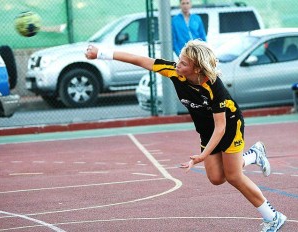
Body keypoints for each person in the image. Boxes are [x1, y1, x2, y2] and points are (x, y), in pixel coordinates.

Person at [85, 40, 287, 231]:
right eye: (179, 59)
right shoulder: (175, 72)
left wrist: (202, 156)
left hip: (229, 126)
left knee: (234, 176)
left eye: (183, 62)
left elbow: (221, 128)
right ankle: (253, 155)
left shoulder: (215, 88)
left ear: (196, 68)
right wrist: (101, 53)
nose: (177, 64)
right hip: (207, 131)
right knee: (217, 178)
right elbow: (140, 60)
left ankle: (272, 217)